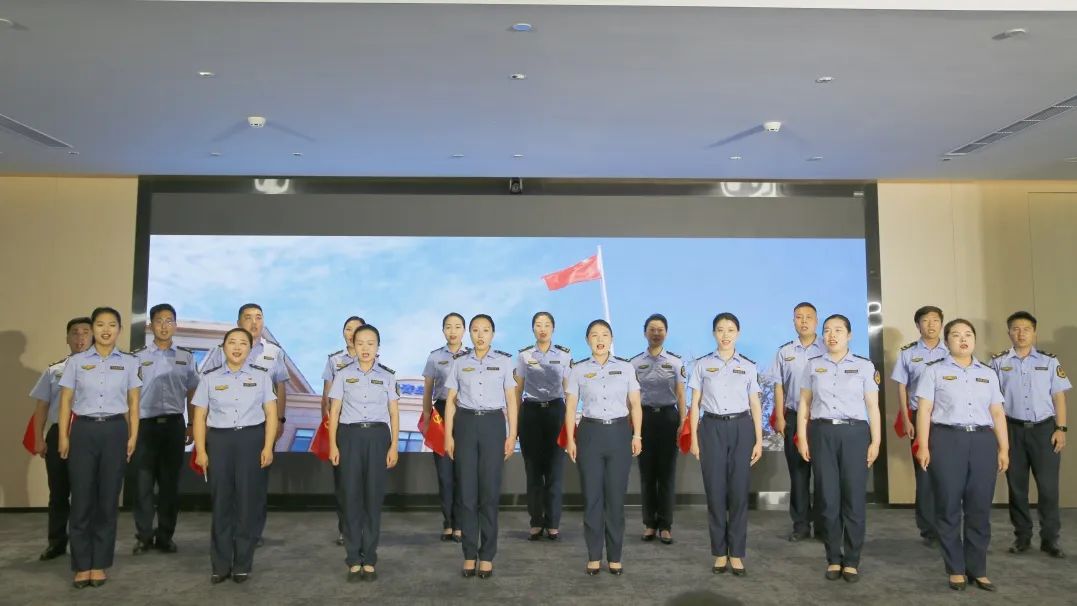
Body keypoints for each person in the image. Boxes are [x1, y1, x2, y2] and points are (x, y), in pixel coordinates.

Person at [915, 319, 1008, 591]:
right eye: (956, 335)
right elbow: (924, 410)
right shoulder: (934, 371)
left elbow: (997, 412)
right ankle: (955, 568)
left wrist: (1004, 448)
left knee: (979, 507)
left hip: (982, 441)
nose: (963, 339)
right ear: (947, 342)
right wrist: (923, 445)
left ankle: (977, 569)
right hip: (947, 439)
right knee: (948, 505)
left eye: (968, 334)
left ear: (974, 340)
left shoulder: (988, 373)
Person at [58, 307, 142, 589]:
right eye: (100, 324)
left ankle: (99, 563)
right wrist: (64, 436)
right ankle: (82, 564)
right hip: (83, 431)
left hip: (115, 431)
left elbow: (134, 403)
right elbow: (65, 401)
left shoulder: (129, 363)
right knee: (81, 499)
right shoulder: (77, 362)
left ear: (119, 329)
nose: (106, 330)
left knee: (107, 500)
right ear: (93, 328)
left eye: (112, 325)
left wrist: (133, 436)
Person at [796, 314, 881, 584]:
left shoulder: (864, 366)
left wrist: (876, 441)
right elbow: (804, 404)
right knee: (828, 499)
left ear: (849, 335)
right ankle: (833, 557)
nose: (832, 335)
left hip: (855, 434)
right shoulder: (813, 365)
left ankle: (852, 560)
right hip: (822, 433)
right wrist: (803, 438)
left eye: (838, 330)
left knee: (854, 499)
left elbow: (872, 407)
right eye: (827, 330)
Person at [191, 327, 278, 584]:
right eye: (232, 342)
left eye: (243, 343)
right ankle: (220, 565)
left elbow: (271, 414)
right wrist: (201, 450)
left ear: (250, 349)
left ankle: (242, 563)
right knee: (221, 503)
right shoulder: (209, 378)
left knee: (247, 504)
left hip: (251, 440)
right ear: (223, 347)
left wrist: (268, 447)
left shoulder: (261, 376)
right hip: (220, 441)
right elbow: (199, 416)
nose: (237, 347)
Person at [200, 303, 289, 545]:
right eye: (248, 317)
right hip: (225, 429)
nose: (254, 322)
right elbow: (205, 387)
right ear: (238, 322)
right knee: (227, 485)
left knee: (255, 484)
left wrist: (280, 419)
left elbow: (280, 387)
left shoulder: (274, 352)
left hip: (259, 427)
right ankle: (229, 532)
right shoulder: (220, 350)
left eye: (259, 317)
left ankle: (252, 533)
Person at [565, 319, 643, 576]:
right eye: (594, 335)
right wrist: (570, 439)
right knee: (592, 498)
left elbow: (635, 404)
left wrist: (637, 435)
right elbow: (571, 407)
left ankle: (615, 556)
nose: (600, 339)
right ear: (587, 340)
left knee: (615, 499)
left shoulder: (626, 368)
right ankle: (594, 556)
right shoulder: (578, 369)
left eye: (605, 335)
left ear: (611, 339)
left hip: (619, 433)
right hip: (590, 433)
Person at [443, 314, 518, 579]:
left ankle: (486, 555)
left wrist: (512, 435)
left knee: (489, 494)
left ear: (493, 334)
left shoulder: (504, 362)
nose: (480, 335)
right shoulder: (460, 363)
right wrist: (448, 435)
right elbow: (450, 400)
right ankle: (468, 554)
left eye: (485, 330)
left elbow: (511, 400)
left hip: (493, 425)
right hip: (465, 424)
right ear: (470, 334)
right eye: (475, 330)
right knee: (467, 494)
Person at [688, 313, 763, 576]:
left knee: (739, 492)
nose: (725, 335)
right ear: (714, 334)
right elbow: (694, 405)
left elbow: (755, 404)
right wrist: (694, 438)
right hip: (711, 428)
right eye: (720, 330)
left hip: (741, 428)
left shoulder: (748, 366)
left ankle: (737, 553)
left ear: (737, 334)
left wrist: (759, 440)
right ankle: (720, 553)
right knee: (715, 491)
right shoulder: (702, 365)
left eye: (730, 330)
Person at [991, 311, 1070, 558]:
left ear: (1034, 332)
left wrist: (1061, 428)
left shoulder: (1049, 361)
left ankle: (1050, 540)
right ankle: (1022, 537)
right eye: (1015, 328)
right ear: (1009, 333)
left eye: (1026, 329)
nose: (1021, 333)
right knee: (1017, 488)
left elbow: (1059, 396)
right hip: (1012, 430)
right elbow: (993, 401)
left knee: (1048, 489)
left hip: (1044, 431)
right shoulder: (998, 362)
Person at [328, 324, 400, 582]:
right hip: (349, 437)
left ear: (378, 347)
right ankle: (352, 558)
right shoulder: (343, 375)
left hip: (378, 437)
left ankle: (369, 558)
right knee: (350, 499)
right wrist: (333, 444)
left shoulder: (388, 376)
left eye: (371, 343)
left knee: (372, 499)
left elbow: (394, 413)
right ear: (353, 346)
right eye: (360, 343)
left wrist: (394, 445)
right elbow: (334, 412)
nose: (365, 348)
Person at [130, 303, 199, 555]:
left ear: (176, 325)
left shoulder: (186, 357)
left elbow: (193, 392)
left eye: (169, 320)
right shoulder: (136, 357)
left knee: (170, 485)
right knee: (143, 484)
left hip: (173, 425)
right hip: (144, 426)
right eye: (159, 320)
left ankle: (165, 536)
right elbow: (130, 395)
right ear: (151, 325)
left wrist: (191, 423)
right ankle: (144, 536)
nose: (164, 325)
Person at [28, 316, 92, 561]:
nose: (80, 337)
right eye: (75, 333)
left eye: (85, 332)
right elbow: (41, 407)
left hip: (88, 433)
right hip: (59, 433)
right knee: (58, 492)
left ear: (93, 337)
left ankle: (83, 543)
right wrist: (39, 438)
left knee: (85, 493)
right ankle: (56, 542)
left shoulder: (103, 370)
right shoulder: (54, 370)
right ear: (67, 338)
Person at [765, 302, 825, 542]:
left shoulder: (828, 347)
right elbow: (778, 386)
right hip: (792, 416)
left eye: (809, 317)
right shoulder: (784, 352)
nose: (804, 321)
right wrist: (780, 416)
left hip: (821, 419)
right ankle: (800, 525)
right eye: (799, 317)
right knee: (799, 474)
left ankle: (823, 524)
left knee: (824, 475)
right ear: (793, 322)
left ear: (817, 321)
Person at [890, 305, 947, 546]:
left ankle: (947, 526)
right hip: (916, 417)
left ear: (941, 324)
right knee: (924, 474)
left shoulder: (952, 350)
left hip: (946, 420)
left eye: (935, 320)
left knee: (947, 474)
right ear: (917, 325)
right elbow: (902, 387)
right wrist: (906, 419)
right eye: (925, 321)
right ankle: (928, 529)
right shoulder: (908, 353)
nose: (931, 325)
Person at [515, 311, 572, 541]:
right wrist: (514, 422)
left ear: (553, 328)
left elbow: (569, 391)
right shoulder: (524, 355)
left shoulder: (564, 355)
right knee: (533, 471)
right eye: (538, 325)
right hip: (530, 413)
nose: (542, 329)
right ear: (533, 329)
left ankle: (553, 522)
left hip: (556, 412)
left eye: (547, 324)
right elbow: (517, 390)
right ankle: (536, 521)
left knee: (555, 471)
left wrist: (570, 421)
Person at [630, 313, 686, 544]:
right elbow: (631, 398)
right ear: (645, 333)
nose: (656, 333)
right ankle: (649, 524)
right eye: (652, 329)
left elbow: (681, 395)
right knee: (647, 474)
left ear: (666, 333)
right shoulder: (634, 363)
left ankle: (665, 525)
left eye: (660, 329)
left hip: (668, 419)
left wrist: (683, 422)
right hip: (644, 420)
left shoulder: (675, 362)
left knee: (666, 474)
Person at [421, 312, 467, 543]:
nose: (453, 331)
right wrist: (427, 417)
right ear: (443, 331)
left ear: (464, 330)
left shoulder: (472, 356)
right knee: (444, 473)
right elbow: (428, 389)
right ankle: (448, 522)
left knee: (462, 473)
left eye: (457, 326)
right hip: (440, 413)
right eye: (448, 327)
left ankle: (460, 524)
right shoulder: (434, 357)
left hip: (465, 413)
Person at [322, 316, 365, 546]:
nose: (352, 333)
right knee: (343, 482)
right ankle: (345, 528)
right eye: (348, 329)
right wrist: (328, 423)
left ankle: (362, 527)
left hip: (364, 427)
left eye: (357, 329)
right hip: (340, 427)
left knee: (362, 482)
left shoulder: (372, 359)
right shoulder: (334, 360)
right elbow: (326, 396)